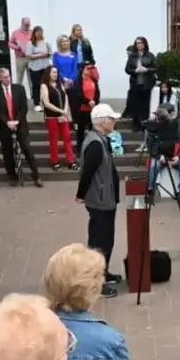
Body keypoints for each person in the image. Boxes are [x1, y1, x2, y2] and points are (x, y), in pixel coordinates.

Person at [76, 104, 123, 298]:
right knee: (99, 241)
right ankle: (95, 282)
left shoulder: (102, 139)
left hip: (106, 198)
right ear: (102, 121)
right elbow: (87, 172)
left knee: (107, 239)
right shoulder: (95, 143)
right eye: (111, 119)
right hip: (100, 199)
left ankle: (103, 272)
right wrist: (81, 193)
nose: (114, 122)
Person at [0, 67, 43, 187]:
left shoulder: (19, 89)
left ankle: (36, 175)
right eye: (5, 77)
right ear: (0, 78)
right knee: (7, 152)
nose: (8, 79)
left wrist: (17, 121)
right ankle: (12, 176)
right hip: (4, 126)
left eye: (9, 76)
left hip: (20, 125)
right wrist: (7, 122)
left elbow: (23, 108)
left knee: (27, 149)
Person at [147, 104, 180, 204]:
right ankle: (150, 191)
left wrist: (179, 157)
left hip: (177, 155)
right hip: (161, 156)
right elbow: (150, 145)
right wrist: (159, 156)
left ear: (171, 113)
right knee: (153, 166)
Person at [41, 66, 78, 171]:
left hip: (63, 116)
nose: (55, 74)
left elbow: (65, 97)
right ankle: (55, 161)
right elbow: (46, 103)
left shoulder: (59, 84)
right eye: (53, 72)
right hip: (52, 116)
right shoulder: (44, 86)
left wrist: (65, 111)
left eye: (56, 72)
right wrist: (61, 111)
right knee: (54, 140)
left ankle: (71, 161)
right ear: (48, 73)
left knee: (67, 138)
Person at [124, 36, 157, 132]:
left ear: (145, 44)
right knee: (135, 105)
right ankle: (135, 124)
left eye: (141, 43)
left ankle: (144, 124)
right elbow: (127, 69)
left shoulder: (150, 55)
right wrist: (135, 71)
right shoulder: (133, 56)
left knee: (145, 105)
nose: (139, 45)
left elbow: (155, 68)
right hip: (135, 84)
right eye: (137, 43)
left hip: (146, 84)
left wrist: (146, 69)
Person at [73, 63, 100, 156]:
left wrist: (95, 101)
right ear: (82, 70)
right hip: (82, 110)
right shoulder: (78, 81)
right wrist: (88, 101)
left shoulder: (93, 80)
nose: (89, 71)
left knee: (93, 130)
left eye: (90, 69)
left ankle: (93, 148)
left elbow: (97, 92)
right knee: (81, 131)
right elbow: (78, 94)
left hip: (92, 110)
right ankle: (79, 149)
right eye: (87, 69)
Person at [24, 26, 51, 112]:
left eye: (41, 32)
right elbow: (28, 56)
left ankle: (46, 102)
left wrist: (48, 54)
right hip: (35, 68)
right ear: (34, 33)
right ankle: (36, 103)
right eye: (37, 32)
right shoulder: (30, 43)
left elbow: (50, 53)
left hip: (45, 67)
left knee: (46, 85)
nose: (39, 34)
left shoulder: (46, 42)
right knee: (36, 85)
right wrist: (40, 55)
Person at [8, 17, 33, 89]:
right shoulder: (16, 32)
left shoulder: (32, 32)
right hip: (20, 58)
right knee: (19, 77)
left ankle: (33, 96)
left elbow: (36, 43)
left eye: (28, 25)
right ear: (22, 24)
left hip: (30, 58)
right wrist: (16, 47)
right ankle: (18, 95)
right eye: (26, 25)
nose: (27, 26)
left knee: (31, 77)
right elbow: (10, 43)